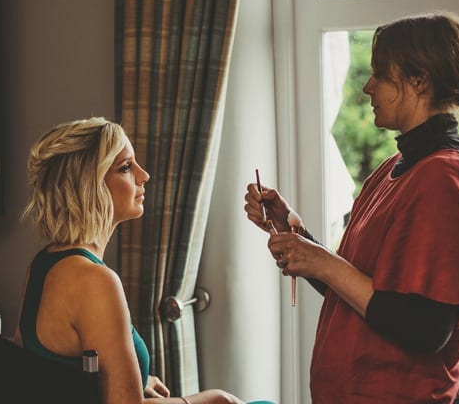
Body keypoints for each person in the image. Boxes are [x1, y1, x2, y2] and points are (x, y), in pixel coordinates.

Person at [244, 13, 459, 403]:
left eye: (379, 74)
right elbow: (361, 290)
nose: (368, 87)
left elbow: (426, 329)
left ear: (419, 81)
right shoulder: (392, 170)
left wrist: (322, 261)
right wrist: (295, 233)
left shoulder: (444, 178)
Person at [22, 117, 272, 404]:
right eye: (126, 167)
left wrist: (136, 380)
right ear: (89, 185)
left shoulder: (43, 263)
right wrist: (216, 399)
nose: (144, 175)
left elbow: (62, 377)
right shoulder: (94, 282)